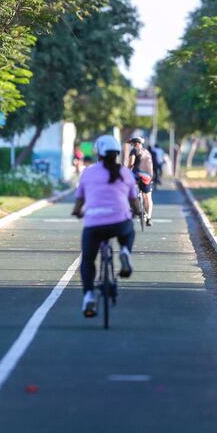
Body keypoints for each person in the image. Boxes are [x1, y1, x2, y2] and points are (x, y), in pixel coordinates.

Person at [72, 135, 141, 318]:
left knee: (87, 260)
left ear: (99, 154)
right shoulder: (125, 173)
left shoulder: (88, 172)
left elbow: (80, 199)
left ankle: (88, 296)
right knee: (129, 231)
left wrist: (77, 211)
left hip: (94, 224)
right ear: (117, 153)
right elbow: (133, 200)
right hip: (119, 223)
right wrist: (139, 212)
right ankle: (125, 251)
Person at [126, 136, 154, 227]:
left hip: (137, 175)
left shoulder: (134, 150)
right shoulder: (147, 152)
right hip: (148, 176)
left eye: (132, 144)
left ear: (136, 143)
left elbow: (131, 163)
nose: (131, 145)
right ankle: (149, 218)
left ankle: (134, 208)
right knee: (148, 197)